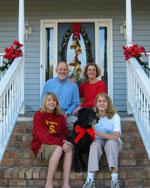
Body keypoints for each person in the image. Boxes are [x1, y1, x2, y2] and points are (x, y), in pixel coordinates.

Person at [31, 92, 73, 188]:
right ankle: (48, 184)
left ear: (57, 103)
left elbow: (63, 133)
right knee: (58, 148)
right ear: (45, 102)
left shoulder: (60, 117)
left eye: (54, 100)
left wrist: (63, 141)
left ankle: (65, 184)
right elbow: (42, 136)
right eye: (49, 100)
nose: (52, 102)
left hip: (55, 145)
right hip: (41, 147)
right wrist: (60, 143)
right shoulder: (38, 115)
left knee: (69, 148)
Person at [82, 93, 122, 188]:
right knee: (94, 144)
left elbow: (116, 137)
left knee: (111, 143)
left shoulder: (115, 116)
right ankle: (90, 180)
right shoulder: (92, 116)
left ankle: (114, 180)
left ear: (108, 103)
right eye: (99, 101)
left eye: (104, 101)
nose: (101, 103)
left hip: (114, 143)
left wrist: (97, 133)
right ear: (96, 103)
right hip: (99, 141)